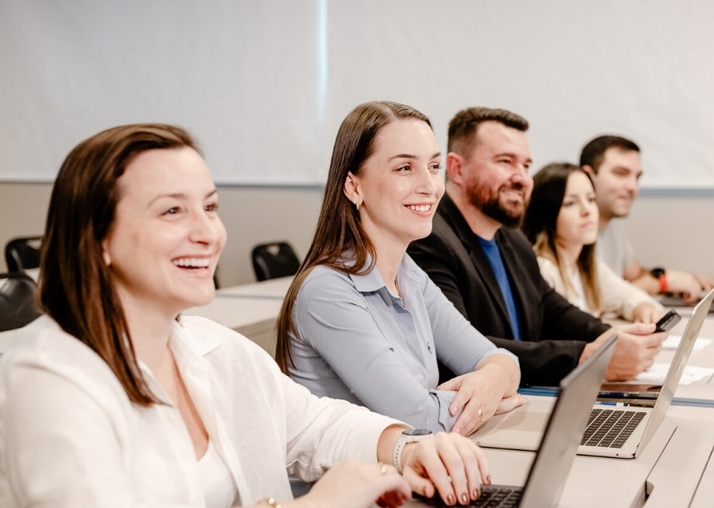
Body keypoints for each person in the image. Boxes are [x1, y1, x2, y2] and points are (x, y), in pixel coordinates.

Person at [0, 124, 492, 508]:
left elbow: (314, 425)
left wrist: (407, 449)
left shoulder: (210, 346)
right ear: (98, 237)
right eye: (173, 212)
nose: (208, 232)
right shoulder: (51, 382)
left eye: (210, 207)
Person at [276, 101, 523, 437]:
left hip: (414, 470)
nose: (430, 186)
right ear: (354, 186)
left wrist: (493, 379)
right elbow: (420, 420)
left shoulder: (409, 274)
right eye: (404, 168)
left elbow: (501, 360)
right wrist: (491, 396)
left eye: (434, 166)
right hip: (354, 485)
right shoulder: (326, 291)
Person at [408, 107, 666, 387]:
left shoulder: (512, 238)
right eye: (505, 161)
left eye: (526, 166)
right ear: (457, 168)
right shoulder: (430, 240)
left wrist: (614, 338)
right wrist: (586, 358)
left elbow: (552, 308)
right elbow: (461, 347)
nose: (521, 178)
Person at [579, 135, 714, 302]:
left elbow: (635, 275)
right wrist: (662, 283)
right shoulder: (573, 230)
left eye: (637, 177)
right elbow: (595, 299)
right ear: (587, 176)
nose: (633, 187)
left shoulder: (613, 225)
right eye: (620, 174)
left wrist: (685, 279)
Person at [522, 162, 666, 323]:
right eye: (570, 203)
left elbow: (630, 296)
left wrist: (643, 308)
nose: (587, 210)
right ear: (546, 213)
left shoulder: (586, 265)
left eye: (591, 199)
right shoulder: (544, 270)